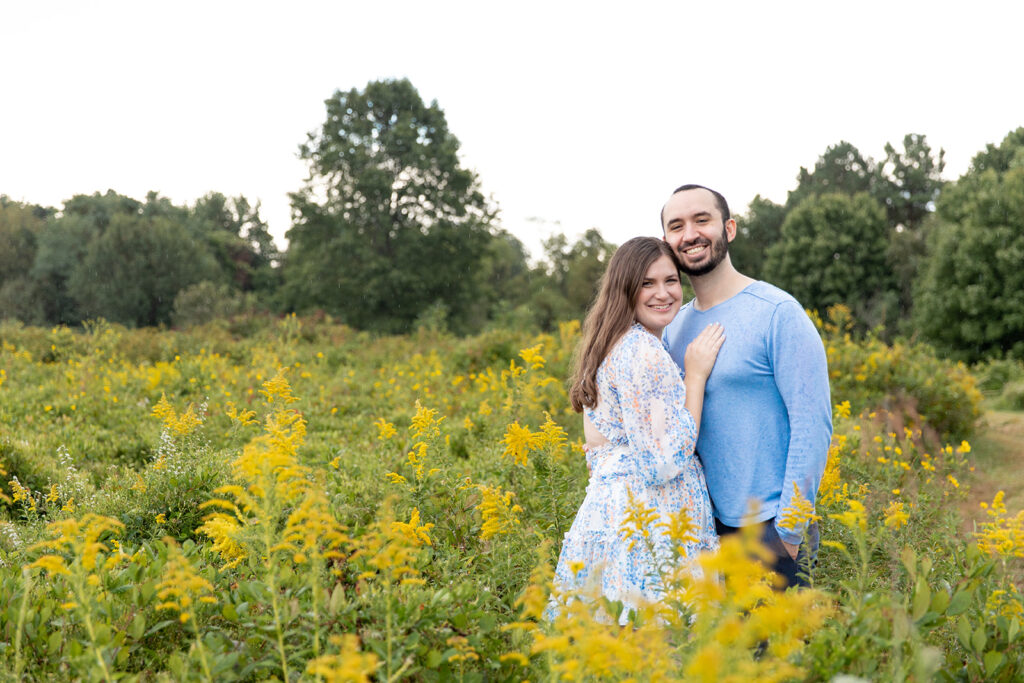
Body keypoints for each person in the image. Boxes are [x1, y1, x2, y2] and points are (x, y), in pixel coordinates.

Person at [660, 184, 833, 588]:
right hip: (703, 532)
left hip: (770, 529)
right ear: (667, 242)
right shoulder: (672, 329)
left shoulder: (778, 313)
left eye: (702, 220)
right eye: (676, 226)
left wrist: (787, 536)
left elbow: (813, 426)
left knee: (778, 652)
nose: (690, 234)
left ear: (730, 228)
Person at [549, 236, 724, 624]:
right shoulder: (642, 353)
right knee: (663, 647)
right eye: (647, 283)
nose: (663, 293)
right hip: (651, 530)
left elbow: (600, 452)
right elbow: (663, 462)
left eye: (671, 280)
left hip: (616, 521)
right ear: (625, 288)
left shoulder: (613, 344)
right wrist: (695, 376)